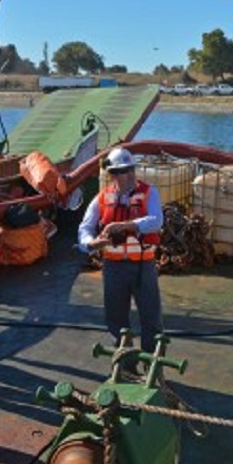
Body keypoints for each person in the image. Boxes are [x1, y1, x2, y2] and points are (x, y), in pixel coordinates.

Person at [78, 147, 165, 352]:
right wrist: (91, 244)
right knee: (116, 320)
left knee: (151, 318)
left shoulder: (150, 193)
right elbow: (85, 228)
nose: (128, 175)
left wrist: (126, 226)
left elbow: (156, 221)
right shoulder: (101, 198)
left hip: (143, 266)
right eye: (121, 171)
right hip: (113, 268)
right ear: (112, 175)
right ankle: (125, 368)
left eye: (129, 169)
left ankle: (153, 368)